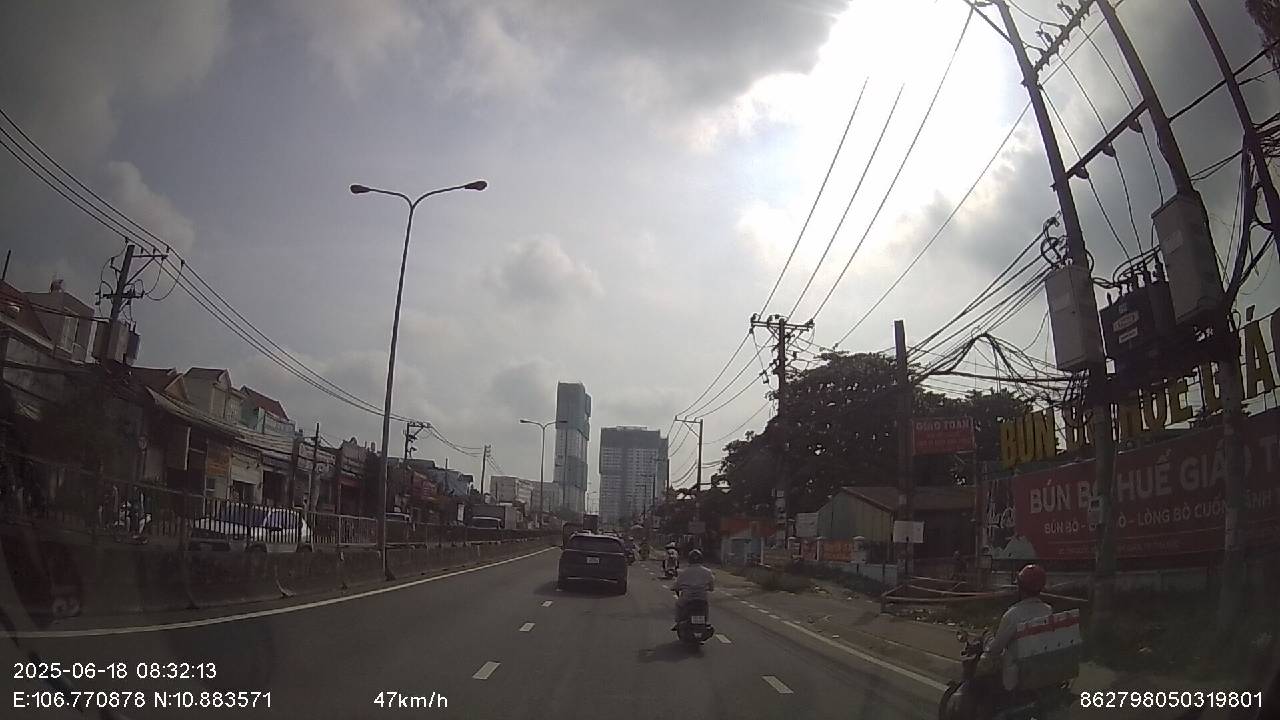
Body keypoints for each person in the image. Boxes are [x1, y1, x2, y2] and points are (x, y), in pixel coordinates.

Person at [971, 564, 1052, 713]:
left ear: (1020, 588)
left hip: (1015, 674)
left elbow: (995, 649)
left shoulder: (1013, 615)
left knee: (981, 675)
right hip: (1041, 669)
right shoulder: (1048, 610)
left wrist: (987, 637)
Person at [671, 548, 714, 630]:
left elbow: (676, 585)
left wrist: (674, 588)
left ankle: (678, 622)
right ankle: (705, 622)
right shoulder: (708, 572)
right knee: (705, 607)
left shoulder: (684, 572)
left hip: (687, 598)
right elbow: (711, 587)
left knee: (678, 605)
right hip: (702, 598)